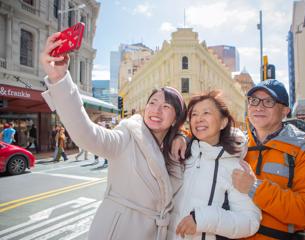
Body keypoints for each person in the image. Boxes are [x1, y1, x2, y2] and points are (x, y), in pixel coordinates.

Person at [40, 32, 187, 239]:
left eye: (165, 106)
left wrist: (183, 136)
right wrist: (59, 79)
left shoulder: (174, 150)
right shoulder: (127, 136)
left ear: (175, 119)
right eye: (152, 103)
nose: (156, 110)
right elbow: (87, 134)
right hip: (118, 231)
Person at [231, 79, 305, 240]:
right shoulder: (236, 145)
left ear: (285, 110)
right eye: (253, 100)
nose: (258, 107)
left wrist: (255, 188)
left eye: (268, 101)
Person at [168, 91, 261, 239]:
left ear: (223, 122)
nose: (199, 119)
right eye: (194, 114)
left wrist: (204, 219)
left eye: (206, 113)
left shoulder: (235, 167)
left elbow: (250, 222)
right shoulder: (181, 154)